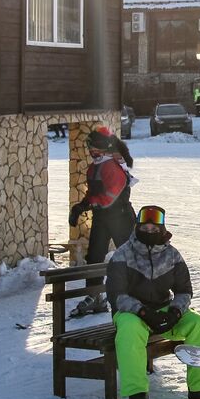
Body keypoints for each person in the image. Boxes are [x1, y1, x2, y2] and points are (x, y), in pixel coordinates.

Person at [107, 205, 200, 399]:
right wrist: (144, 313)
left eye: (154, 229)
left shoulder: (171, 254)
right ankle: (137, 393)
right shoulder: (123, 254)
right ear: (138, 227)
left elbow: (184, 290)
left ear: (162, 229)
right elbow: (117, 295)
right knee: (130, 331)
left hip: (164, 310)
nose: (149, 232)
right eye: (145, 228)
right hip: (132, 313)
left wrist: (175, 313)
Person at [69, 127, 136, 316]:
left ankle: (138, 292)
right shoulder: (95, 167)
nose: (91, 152)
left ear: (102, 148)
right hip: (102, 217)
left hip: (120, 217)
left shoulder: (112, 167)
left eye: (93, 148)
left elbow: (108, 197)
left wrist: (87, 205)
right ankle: (95, 295)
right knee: (95, 256)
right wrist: (80, 206)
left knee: (129, 255)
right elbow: (93, 194)